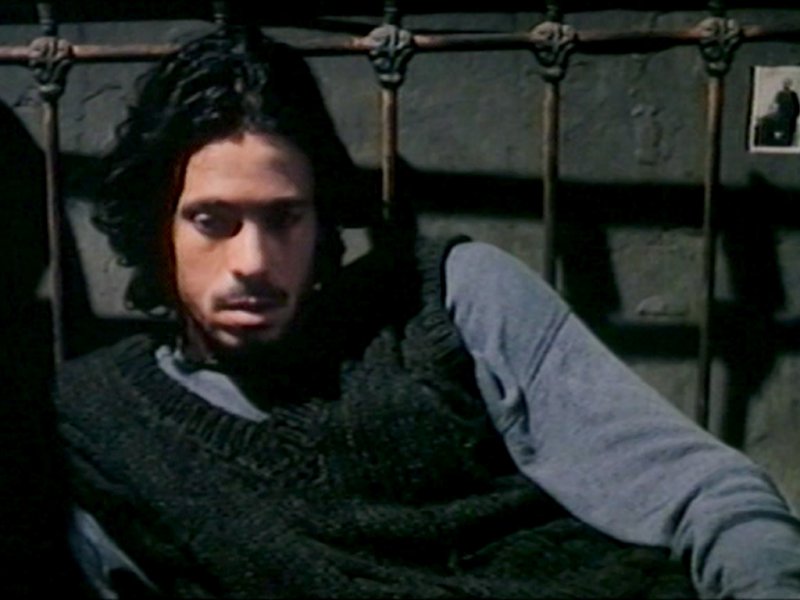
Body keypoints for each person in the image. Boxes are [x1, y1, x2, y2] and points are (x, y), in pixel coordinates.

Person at [54, 26, 800, 598]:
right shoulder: (102, 423)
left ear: (322, 219)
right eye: (212, 220)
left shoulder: (447, 296)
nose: (252, 261)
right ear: (157, 227)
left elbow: (707, 493)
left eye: (284, 218)